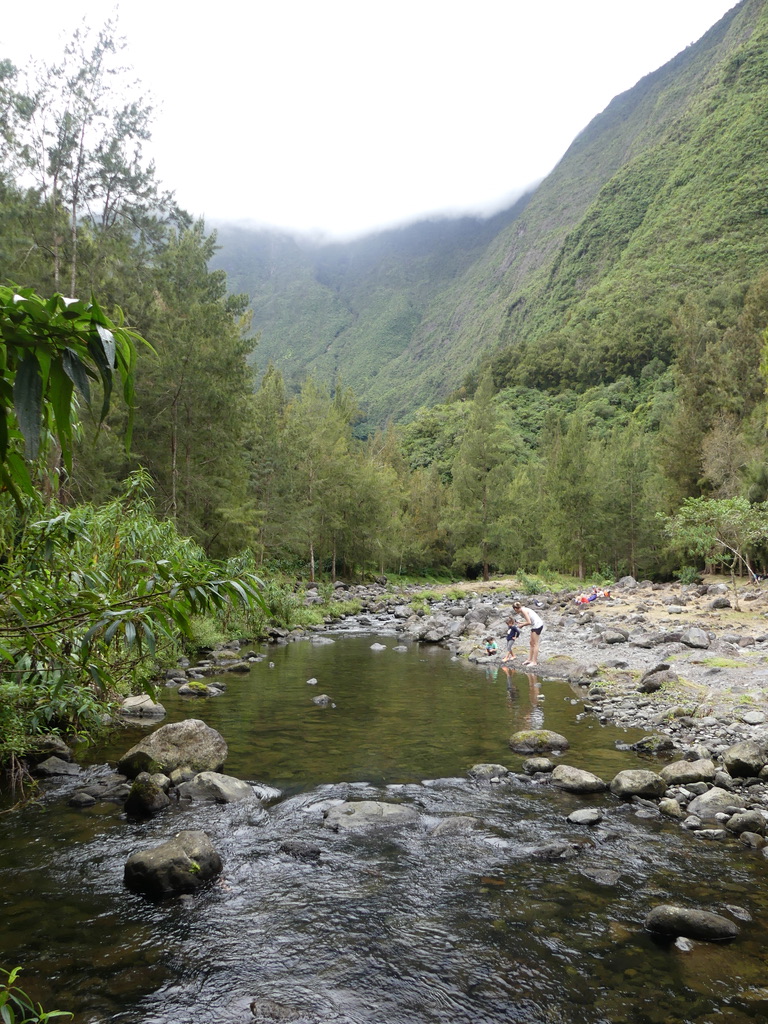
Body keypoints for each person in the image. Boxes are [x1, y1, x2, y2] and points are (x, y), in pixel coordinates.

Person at [512, 601, 544, 667]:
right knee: (531, 642)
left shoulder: (523, 611)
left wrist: (521, 625)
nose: (516, 612)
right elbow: (529, 620)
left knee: (535, 643)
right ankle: (529, 659)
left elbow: (529, 622)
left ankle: (534, 661)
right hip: (534, 625)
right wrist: (521, 623)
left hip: (538, 625)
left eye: (515, 610)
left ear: (515, 609)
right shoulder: (523, 609)